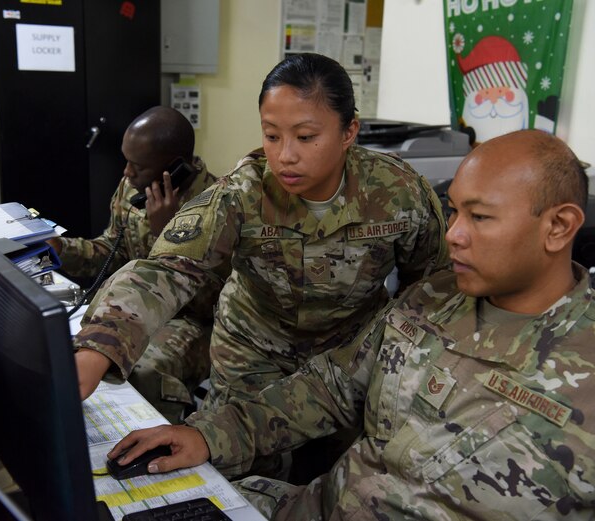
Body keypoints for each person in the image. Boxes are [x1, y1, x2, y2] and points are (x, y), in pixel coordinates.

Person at [108, 130, 595, 520]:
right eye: (455, 212)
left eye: (479, 217)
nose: (453, 236)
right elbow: (328, 389)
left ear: (559, 226)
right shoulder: (432, 300)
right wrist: (206, 435)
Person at [73, 53, 448, 477]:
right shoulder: (244, 192)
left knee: (332, 478)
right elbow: (167, 269)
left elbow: (429, 289)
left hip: (347, 364)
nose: (285, 155)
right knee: (238, 474)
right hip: (253, 353)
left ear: (349, 132)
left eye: (305, 137)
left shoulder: (400, 193)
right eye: (272, 136)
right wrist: (95, 349)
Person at [50, 106, 218, 423]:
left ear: (175, 168)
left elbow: (215, 302)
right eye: (126, 161)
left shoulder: (215, 206)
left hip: (192, 322)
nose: (126, 173)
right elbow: (111, 250)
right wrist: (59, 248)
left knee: (143, 371)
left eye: (136, 166)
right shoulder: (135, 187)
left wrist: (165, 235)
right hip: (135, 305)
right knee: (76, 347)